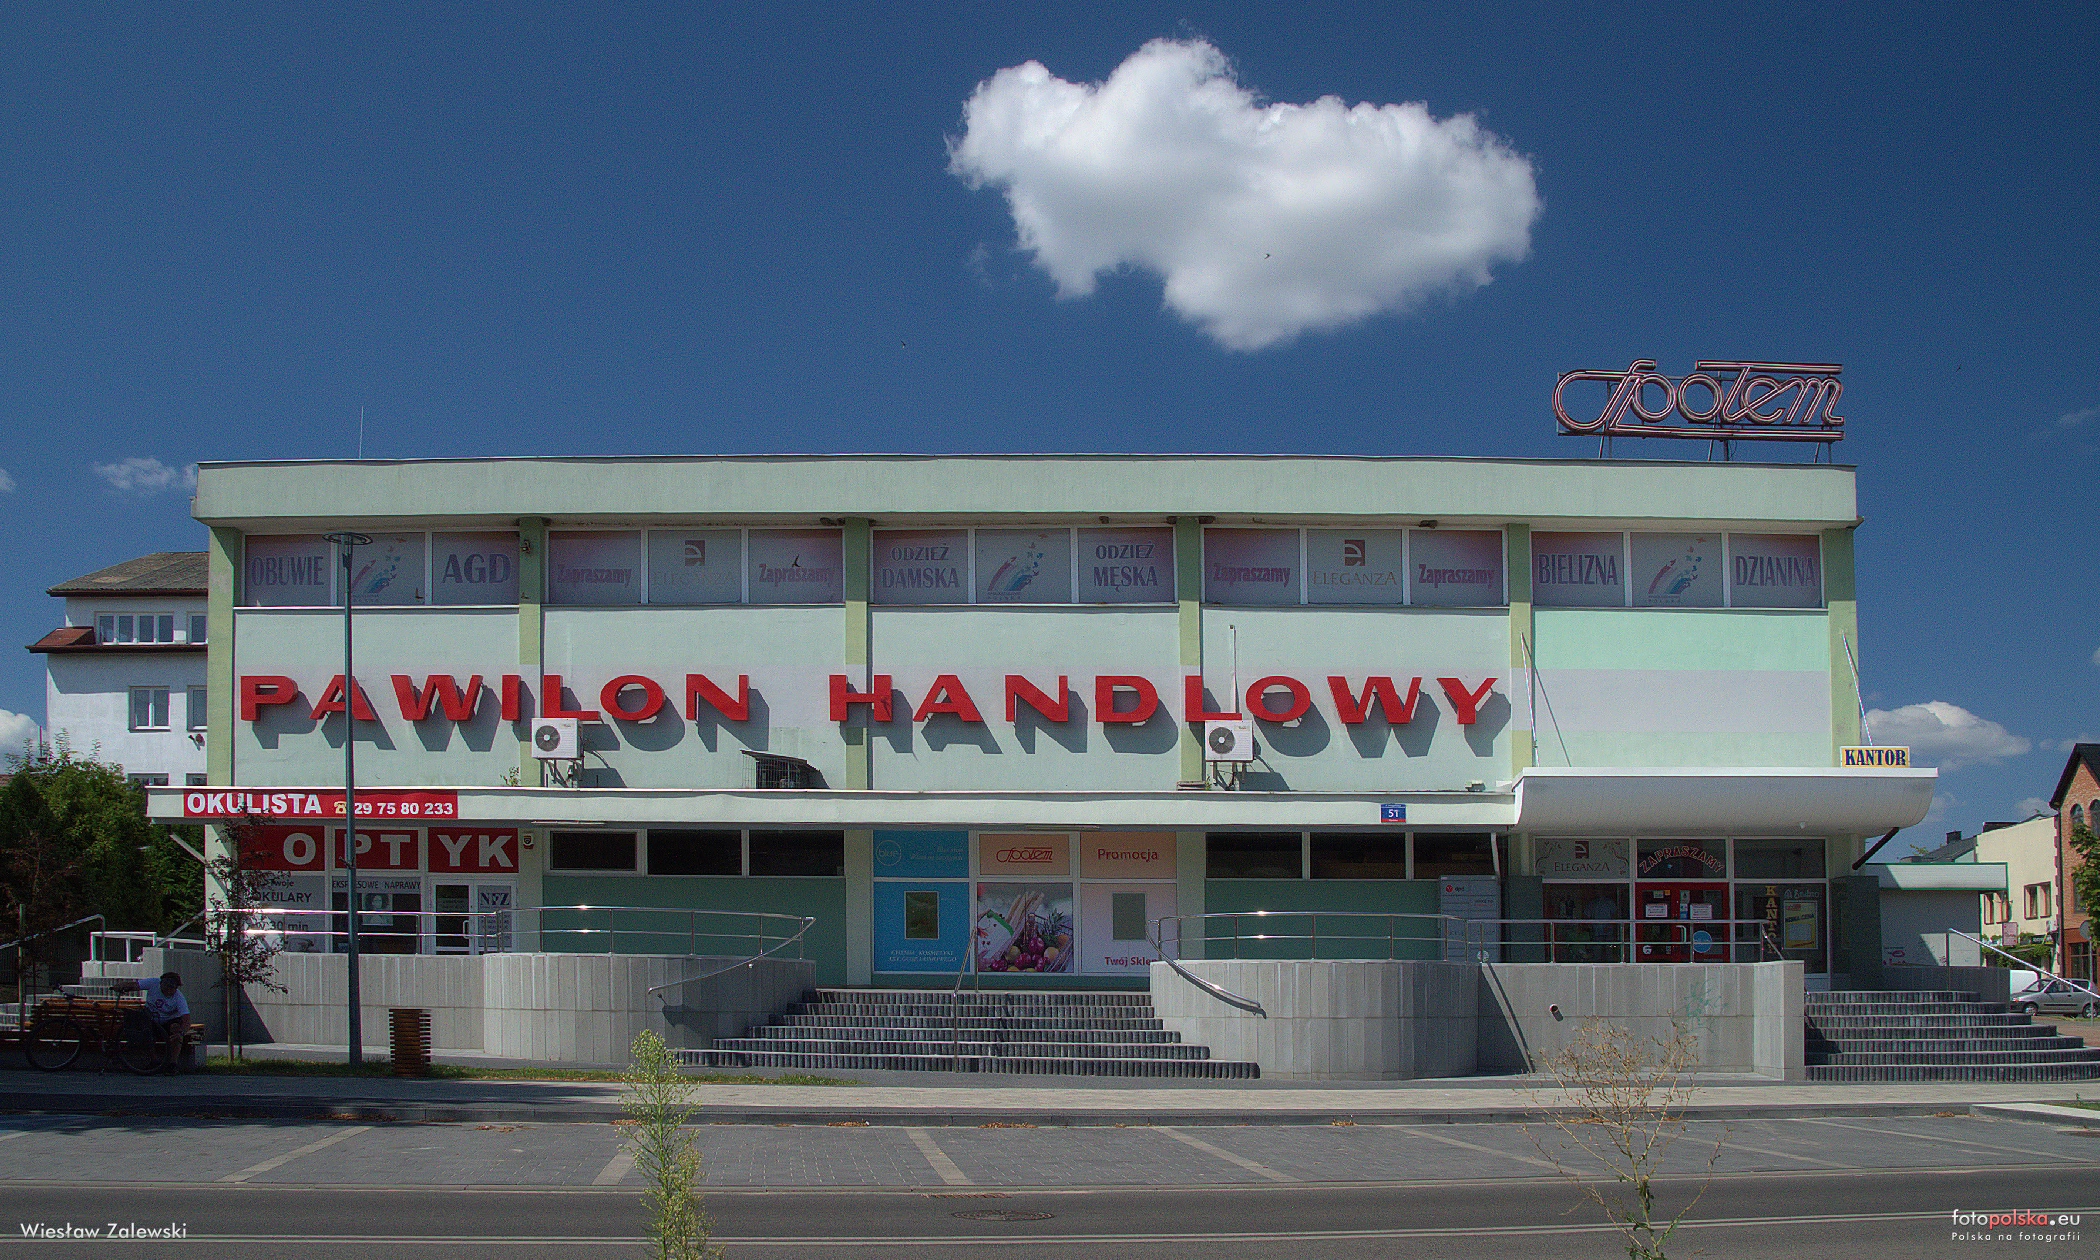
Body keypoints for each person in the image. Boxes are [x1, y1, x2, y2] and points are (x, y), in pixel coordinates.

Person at [124, 971, 192, 1071]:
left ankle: (173, 1064)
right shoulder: (153, 983)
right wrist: (122, 986)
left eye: (173, 988)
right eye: (167, 987)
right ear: (161, 983)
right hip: (151, 1019)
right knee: (145, 1028)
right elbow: (135, 985)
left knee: (176, 1030)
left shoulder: (179, 998)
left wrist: (181, 1033)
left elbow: (186, 1019)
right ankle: (154, 1060)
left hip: (168, 1021)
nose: (169, 990)